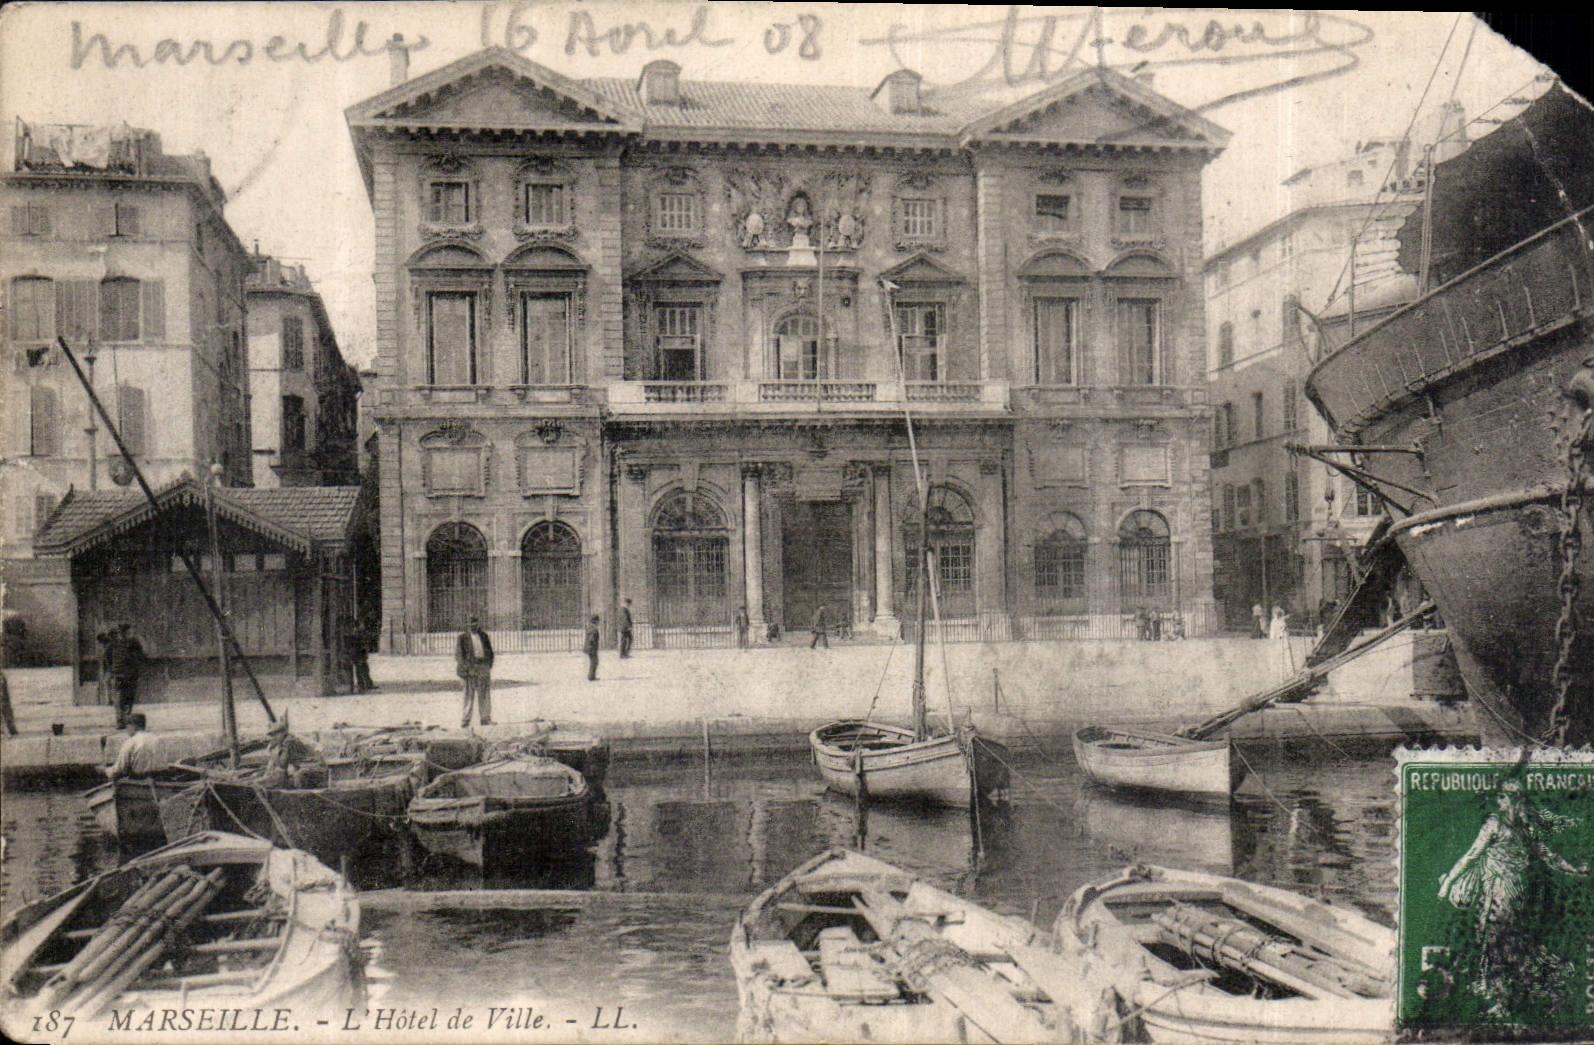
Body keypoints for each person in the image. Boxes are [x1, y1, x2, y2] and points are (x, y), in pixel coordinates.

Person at [1438, 779, 1587, 1012]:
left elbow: (1547, 855)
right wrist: (1448, 882)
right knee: (1500, 943)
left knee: (1499, 943)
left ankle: (1507, 999)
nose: (1498, 801)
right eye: (1498, 796)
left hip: (1506, 894)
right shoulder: (1496, 824)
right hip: (1498, 890)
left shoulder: (1520, 827)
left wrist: (1574, 869)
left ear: (1515, 800)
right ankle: (1504, 993)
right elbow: (1471, 855)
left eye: (1503, 797)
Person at [101, 623, 144, 729]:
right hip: (118, 674)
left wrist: (136, 665)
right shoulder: (113, 644)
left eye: (131, 633)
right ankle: (120, 721)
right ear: (122, 633)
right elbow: (106, 657)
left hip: (131, 675)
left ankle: (127, 718)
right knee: (119, 698)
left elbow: (141, 656)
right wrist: (112, 669)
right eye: (128, 633)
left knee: (129, 698)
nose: (130, 635)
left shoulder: (135, 643)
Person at [456, 616, 494, 729]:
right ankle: (465, 719)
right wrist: (467, 669)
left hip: (482, 667)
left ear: (478, 624)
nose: (473, 627)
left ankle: (485, 718)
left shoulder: (484, 636)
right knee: (468, 694)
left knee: (484, 693)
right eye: (471, 625)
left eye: (475, 624)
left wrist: (488, 665)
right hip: (469, 669)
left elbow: (490, 652)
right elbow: (459, 656)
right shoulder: (462, 638)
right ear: (467, 626)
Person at [106, 713, 164, 779]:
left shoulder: (130, 742)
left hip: (139, 781)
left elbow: (118, 770)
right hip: (160, 779)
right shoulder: (157, 739)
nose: (126, 730)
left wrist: (106, 771)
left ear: (132, 726)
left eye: (127, 726)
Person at [584, 615, 601, 681]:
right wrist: (592, 645)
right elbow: (591, 639)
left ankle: (591, 676)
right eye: (598, 621)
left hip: (590, 648)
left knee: (594, 662)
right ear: (595, 621)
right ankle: (591, 676)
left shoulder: (590, 627)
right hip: (592, 648)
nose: (598, 623)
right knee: (594, 662)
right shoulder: (593, 629)